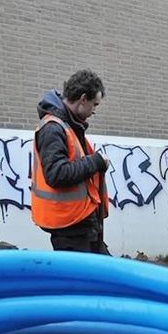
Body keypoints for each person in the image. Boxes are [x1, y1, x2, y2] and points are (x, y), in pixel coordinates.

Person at [31, 69, 112, 254]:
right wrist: (95, 162)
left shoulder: (69, 125)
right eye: (94, 105)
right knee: (84, 281)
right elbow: (56, 174)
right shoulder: (53, 128)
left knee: (100, 274)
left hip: (80, 223)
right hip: (70, 226)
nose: (94, 112)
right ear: (83, 99)